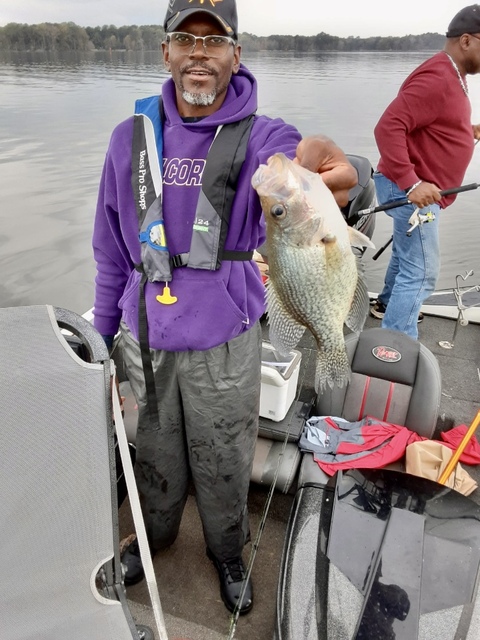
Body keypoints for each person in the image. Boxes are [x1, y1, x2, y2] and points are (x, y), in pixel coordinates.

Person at [92, 0, 356, 615]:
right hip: (147, 336)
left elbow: (310, 157)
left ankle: (228, 552)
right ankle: (153, 538)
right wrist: (100, 340)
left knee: (225, 456)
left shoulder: (263, 137)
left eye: (215, 41)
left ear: (236, 55)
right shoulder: (128, 139)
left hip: (226, 339)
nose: (199, 54)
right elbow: (109, 249)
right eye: (186, 38)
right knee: (153, 452)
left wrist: (332, 167)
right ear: (166, 52)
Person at [370, 4, 480, 339]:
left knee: (408, 255)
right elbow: (387, 127)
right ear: (466, 41)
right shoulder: (439, 78)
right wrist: (412, 183)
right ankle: (394, 349)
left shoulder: (452, 74)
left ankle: (387, 305)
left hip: (410, 186)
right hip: (409, 189)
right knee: (422, 271)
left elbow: (432, 122)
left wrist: (465, 131)